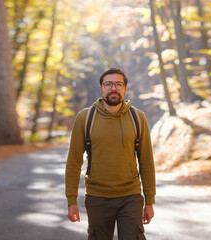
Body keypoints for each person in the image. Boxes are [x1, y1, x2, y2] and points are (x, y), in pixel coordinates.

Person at [65, 67, 156, 240]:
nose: (113, 88)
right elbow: (73, 163)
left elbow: (146, 162)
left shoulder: (138, 117)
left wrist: (149, 201)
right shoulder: (85, 118)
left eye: (118, 84)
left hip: (131, 197)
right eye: (108, 84)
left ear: (125, 88)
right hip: (97, 197)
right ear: (101, 88)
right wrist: (71, 201)